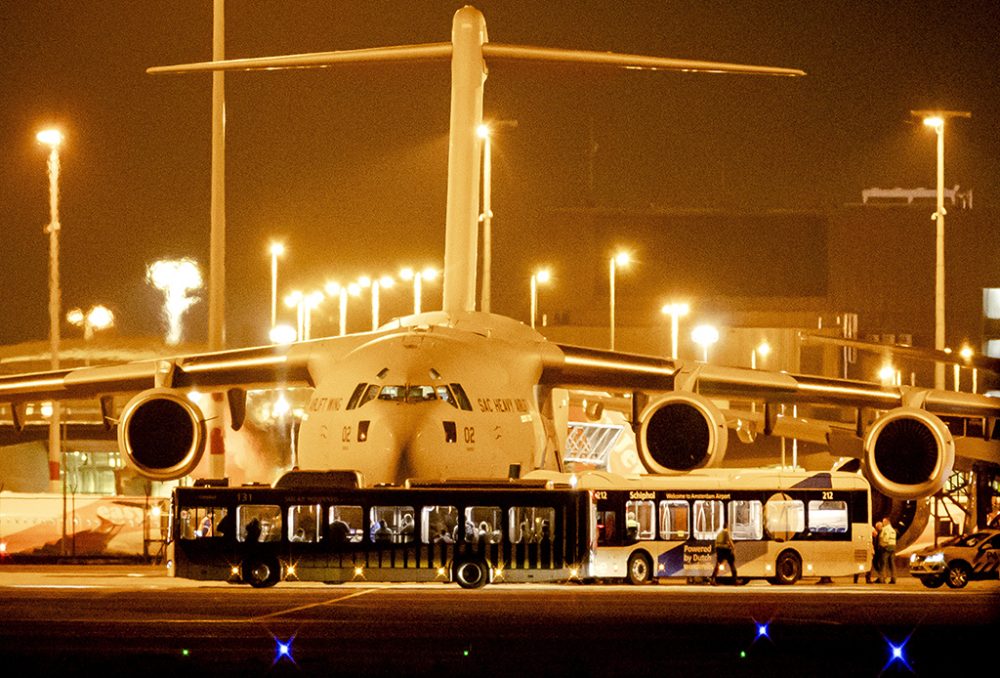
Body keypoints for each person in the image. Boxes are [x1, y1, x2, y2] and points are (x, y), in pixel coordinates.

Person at [878, 517, 897, 584]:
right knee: (892, 564)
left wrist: (881, 545)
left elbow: (885, 539)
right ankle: (893, 579)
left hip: (886, 547)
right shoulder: (893, 530)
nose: (883, 523)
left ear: (886, 522)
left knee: (883, 564)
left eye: (883, 522)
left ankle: (882, 579)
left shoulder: (885, 529)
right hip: (893, 547)